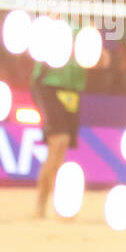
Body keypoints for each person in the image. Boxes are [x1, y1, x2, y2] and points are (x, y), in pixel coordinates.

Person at [30, 20, 87, 219]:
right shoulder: (58, 23)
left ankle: (55, 206)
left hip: (71, 91)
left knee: (59, 151)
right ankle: (41, 204)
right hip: (48, 86)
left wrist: (100, 57)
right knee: (59, 142)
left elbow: (100, 61)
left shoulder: (88, 31)